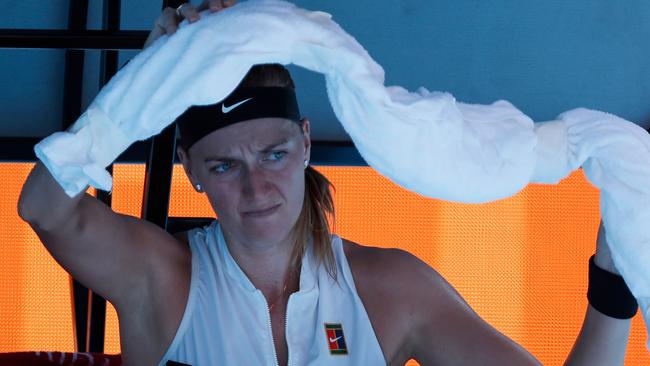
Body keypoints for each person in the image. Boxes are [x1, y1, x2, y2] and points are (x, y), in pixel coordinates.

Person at [18, 1, 637, 365]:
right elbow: (44, 206)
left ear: (307, 143)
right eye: (225, 166)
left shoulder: (390, 288)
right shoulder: (162, 278)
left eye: (274, 153)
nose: (257, 190)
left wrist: (616, 274)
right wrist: (150, 82)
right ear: (191, 171)